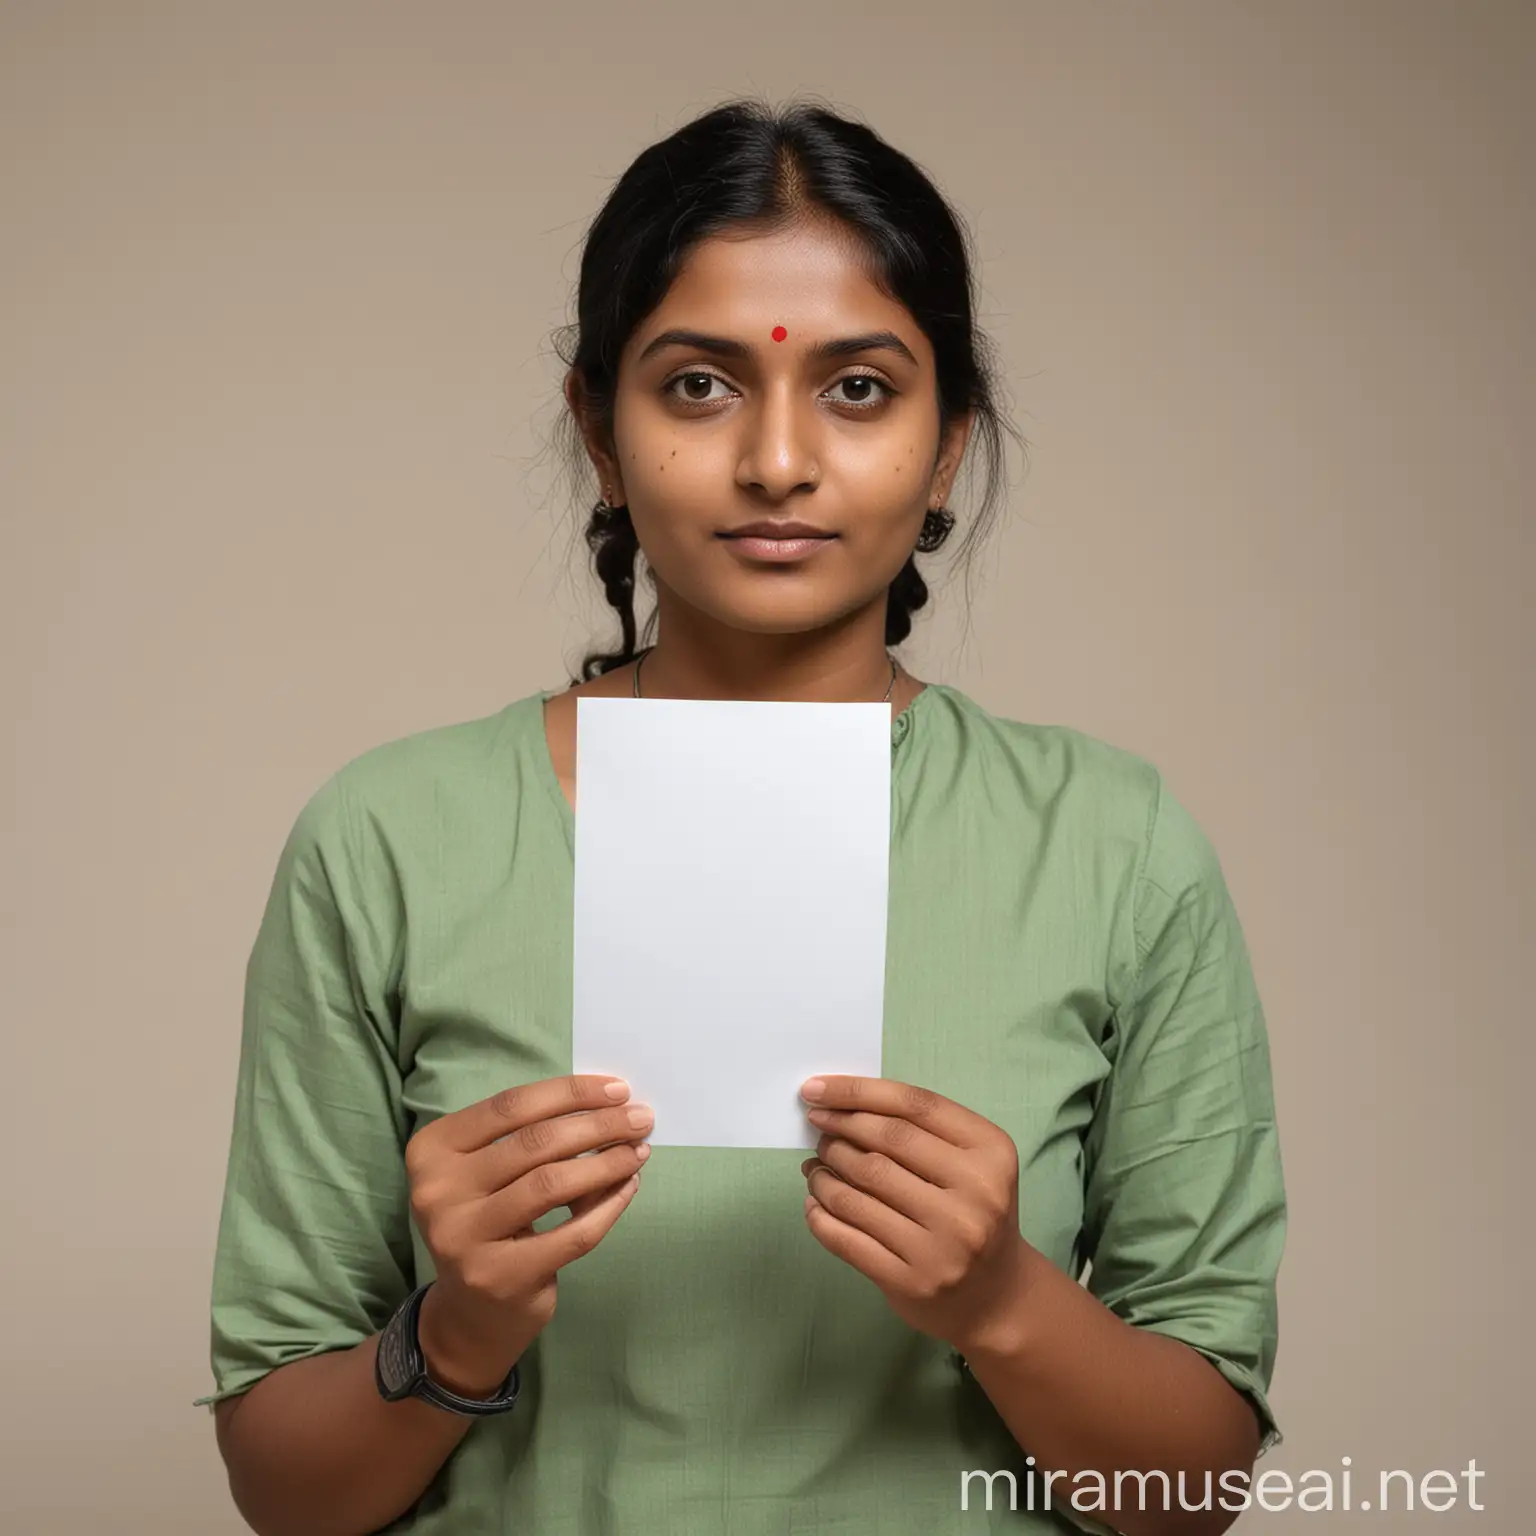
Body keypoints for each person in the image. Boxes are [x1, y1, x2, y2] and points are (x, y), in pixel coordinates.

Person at [199, 96, 1286, 1536]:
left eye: (859, 389)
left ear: (949, 440)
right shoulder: (388, 839)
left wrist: (1005, 1301)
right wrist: (448, 1333)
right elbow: (286, 1496)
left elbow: (1193, 1496)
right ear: (598, 428)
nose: (778, 462)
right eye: (699, 386)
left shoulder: (1115, 845)